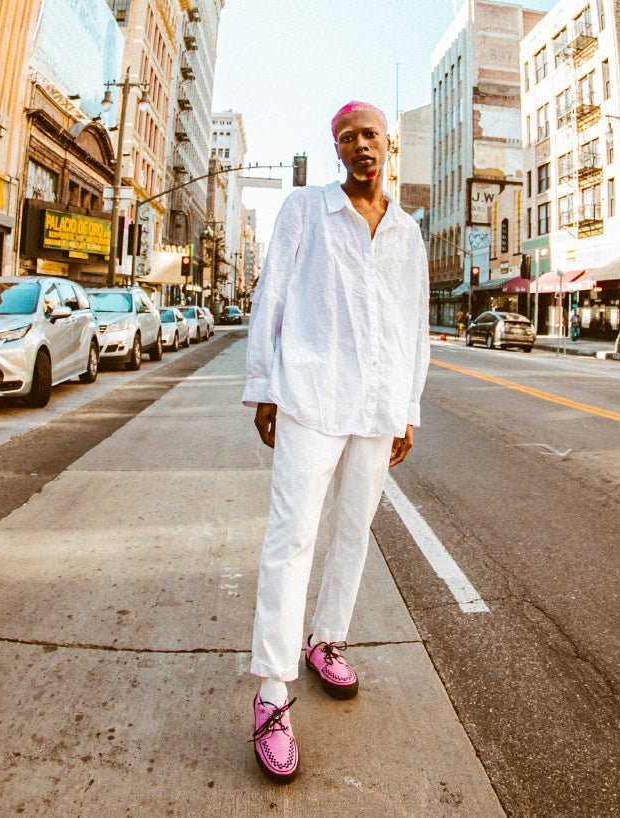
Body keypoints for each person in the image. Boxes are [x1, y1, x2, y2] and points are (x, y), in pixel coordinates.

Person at [243, 101, 430, 784]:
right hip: (309, 397)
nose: (360, 146)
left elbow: (415, 323)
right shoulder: (304, 211)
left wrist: (407, 406)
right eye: (346, 138)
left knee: (354, 533)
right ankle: (270, 695)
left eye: (370, 135)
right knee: (290, 542)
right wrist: (263, 384)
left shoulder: (407, 233)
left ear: (389, 143)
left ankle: (326, 640)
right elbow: (273, 297)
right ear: (336, 149)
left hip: (378, 408)